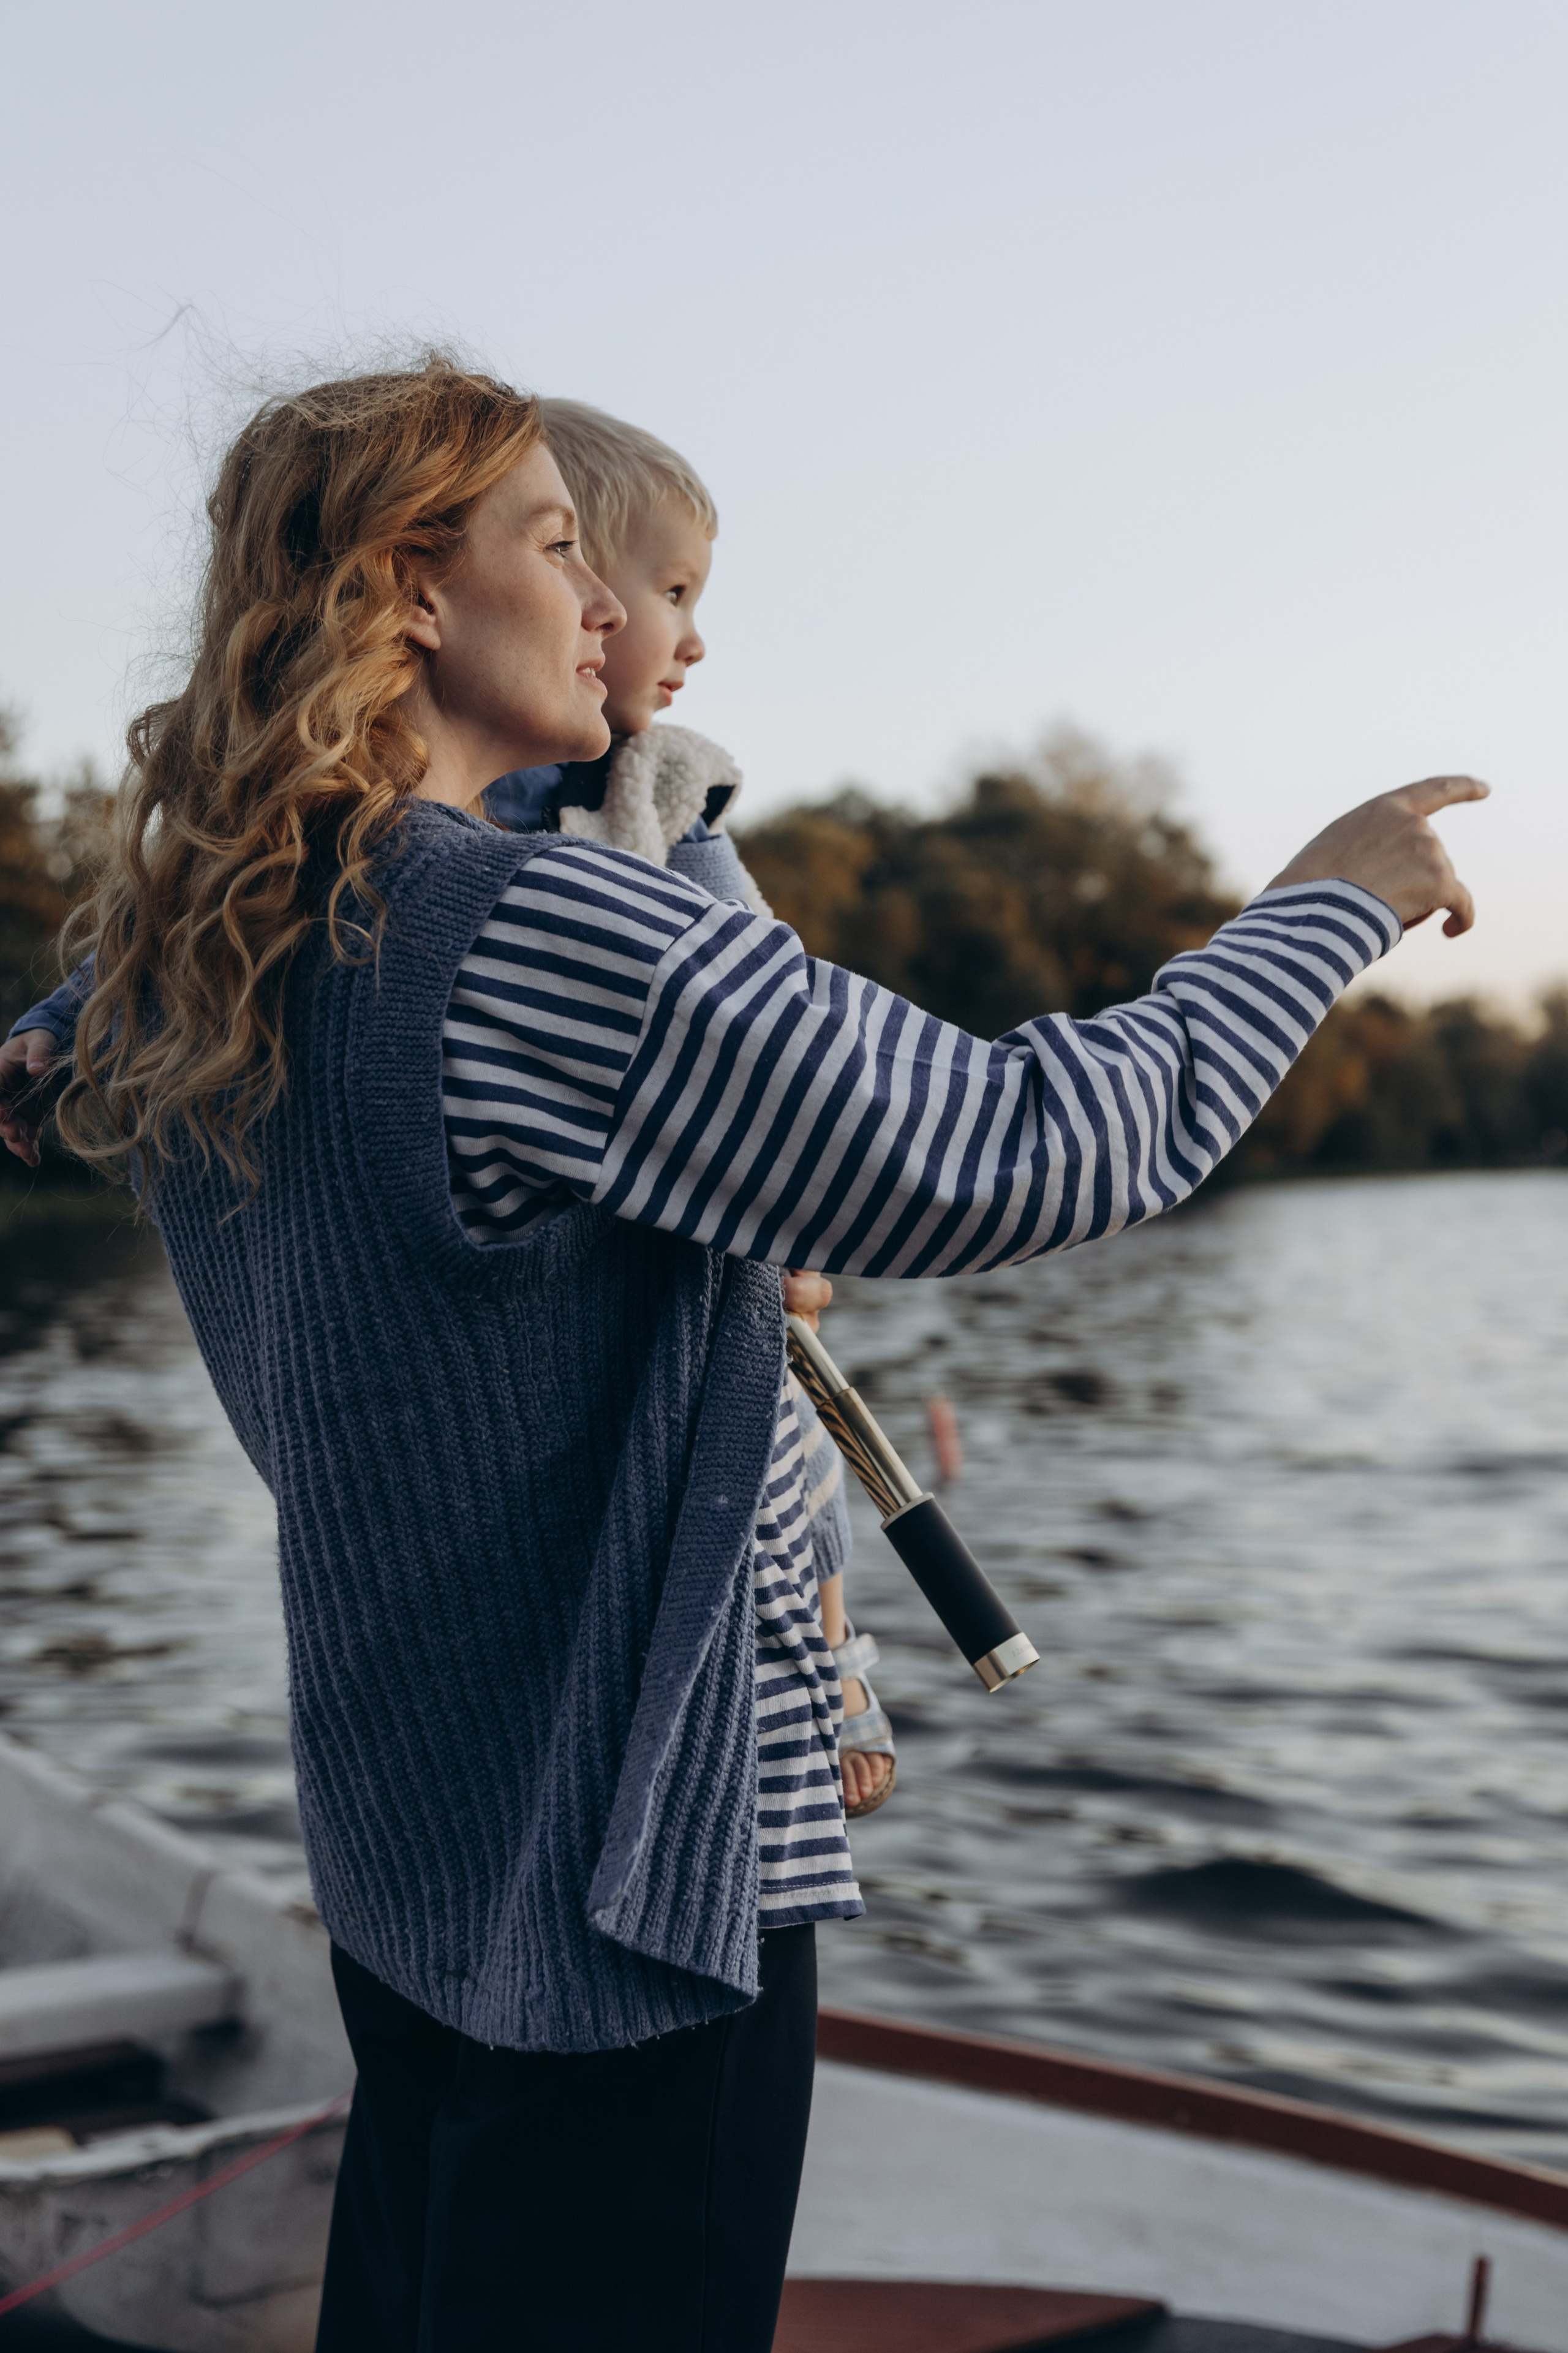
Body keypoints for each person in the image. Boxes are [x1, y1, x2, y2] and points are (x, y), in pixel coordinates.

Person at [0, 358, 1484, 2353]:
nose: (613, 617)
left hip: (414, 1837)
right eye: (556, 548)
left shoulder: (231, 947)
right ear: (412, 592)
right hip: (625, 1876)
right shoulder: (514, 934)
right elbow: (1022, 1149)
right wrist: (1321, 906)